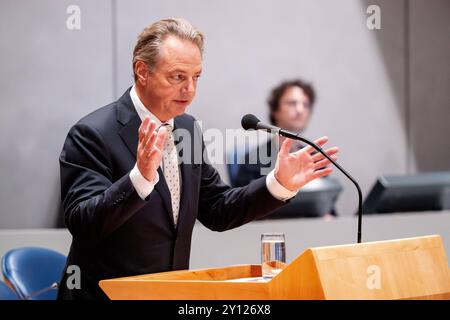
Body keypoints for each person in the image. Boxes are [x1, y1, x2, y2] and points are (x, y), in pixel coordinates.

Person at [57, 18, 339, 300]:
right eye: (177, 77)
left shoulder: (187, 128)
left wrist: (278, 184)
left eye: (196, 77)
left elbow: (217, 209)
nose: (190, 89)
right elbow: (83, 224)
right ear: (142, 71)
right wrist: (139, 179)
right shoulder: (93, 133)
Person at [233, 79, 316, 188]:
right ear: (275, 110)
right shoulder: (254, 159)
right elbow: (243, 201)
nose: (300, 110)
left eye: (306, 105)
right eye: (292, 103)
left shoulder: (314, 158)